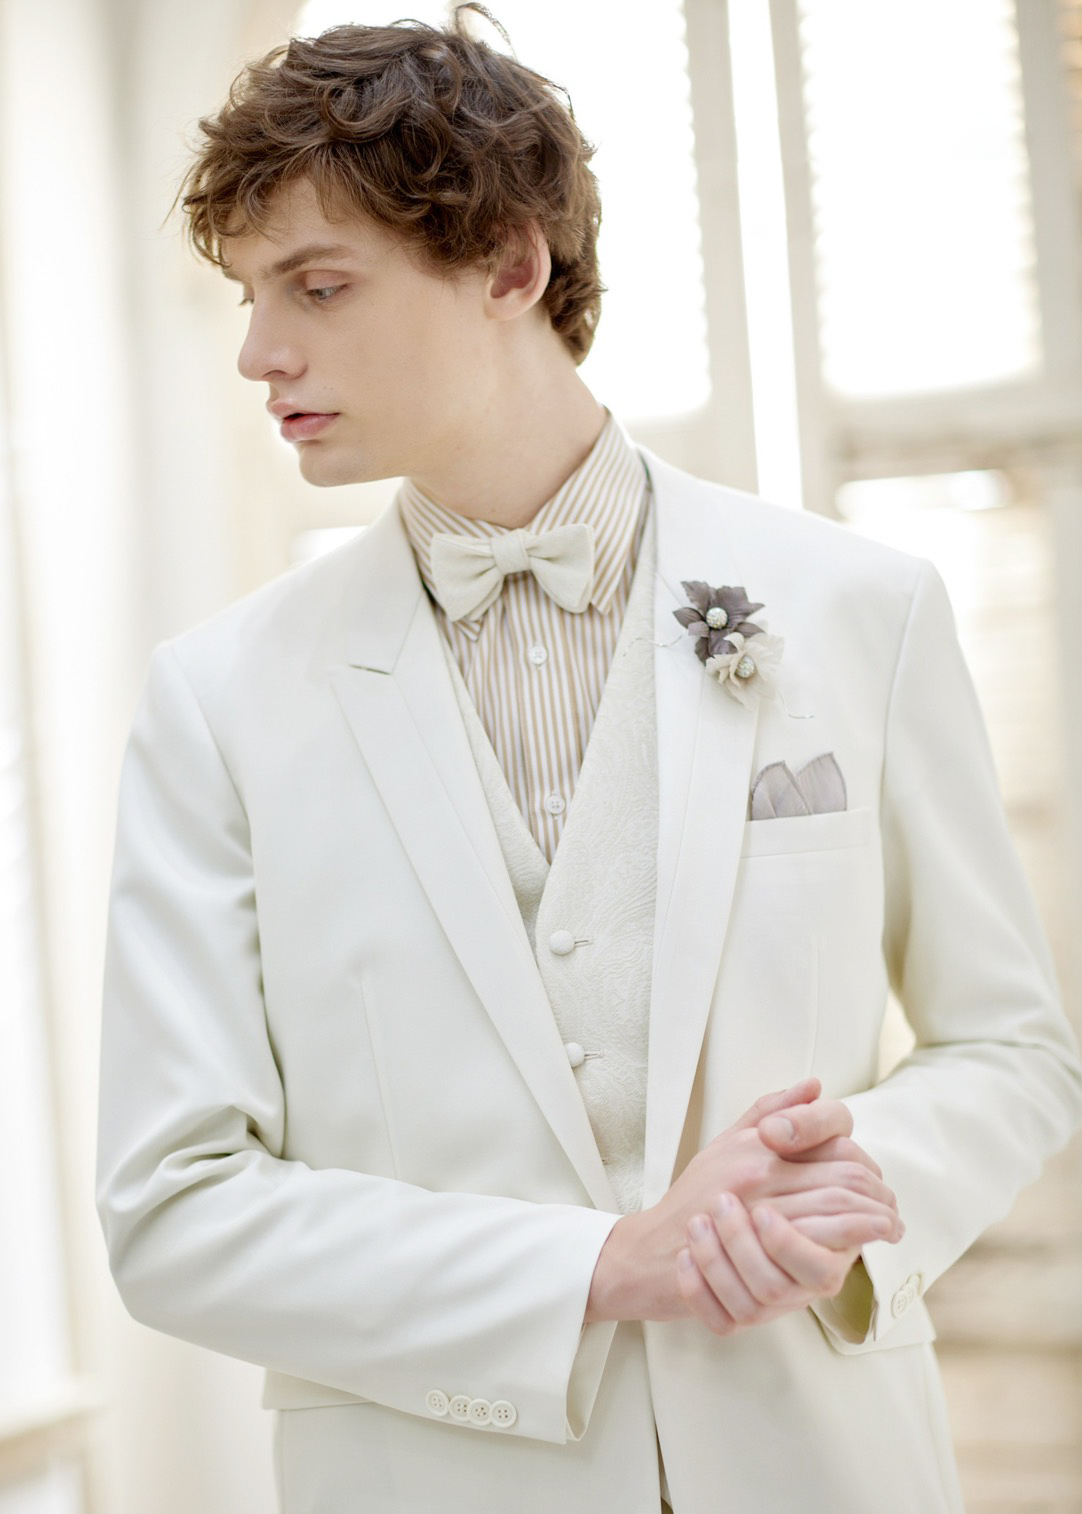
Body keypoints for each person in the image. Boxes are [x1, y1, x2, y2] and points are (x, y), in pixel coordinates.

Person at [96, 9, 1082, 1512]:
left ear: (509, 264)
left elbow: (1010, 1048)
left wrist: (845, 1197)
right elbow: (174, 1211)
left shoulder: (860, 611)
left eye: (317, 285)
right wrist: (604, 1265)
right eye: (247, 294)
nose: (257, 351)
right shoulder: (218, 700)